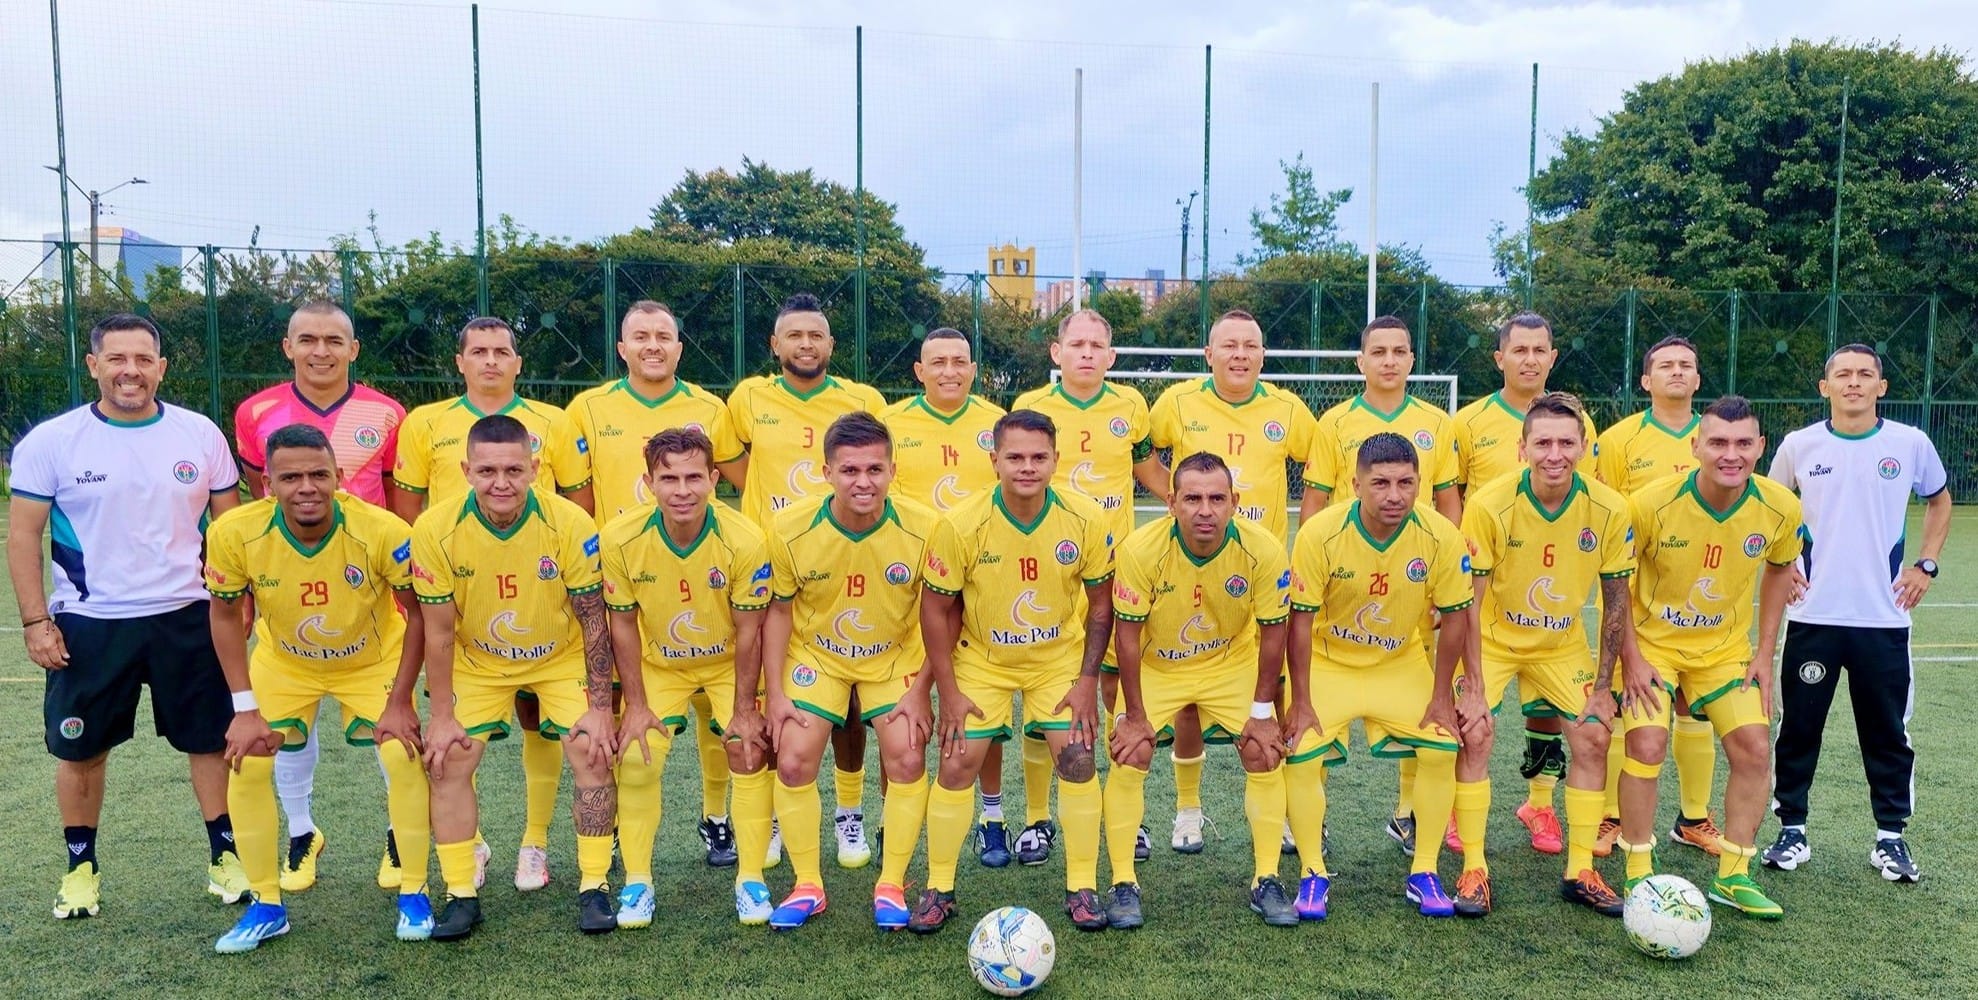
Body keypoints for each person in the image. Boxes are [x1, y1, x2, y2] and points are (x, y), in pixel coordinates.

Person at [8, 312, 246, 921]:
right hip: (91, 622)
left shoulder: (199, 435)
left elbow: (232, 529)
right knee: (80, 752)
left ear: (161, 368)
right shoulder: (53, 442)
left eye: (143, 359)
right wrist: (37, 621)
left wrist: (239, 602)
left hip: (188, 616)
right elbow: (23, 536)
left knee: (210, 742)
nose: (130, 371)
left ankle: (225, 857)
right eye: (116, 359)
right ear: (93, 365)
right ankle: (81, 868)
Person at [202, 424, 433, 951]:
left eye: (317, 474)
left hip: (372, 661)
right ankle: (266, 904)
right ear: (267, 484)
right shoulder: (235, 532)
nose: (306, 487)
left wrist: (400, 702)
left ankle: (415, 892)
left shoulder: (383, 530)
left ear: (340, 477)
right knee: (248, 758)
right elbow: (222, 616)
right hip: (285, 663)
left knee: (402, 754)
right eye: (290, 477)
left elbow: (418, 616)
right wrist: (244, 708)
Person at [393, 316, 590, 893]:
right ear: (459, 362)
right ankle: (469, 848)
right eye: (477, 350)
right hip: (465, 595)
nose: (490, 361)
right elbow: (410, 513)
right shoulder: (425, 423)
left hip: (541, 594)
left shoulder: (552, 422)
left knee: (543, 726)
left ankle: (535, 842)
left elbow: (580, 503)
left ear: (518, 362)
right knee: (453, 737)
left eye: (501, 351)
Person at [410, 414, 619, 939]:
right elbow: (437, 631)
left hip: (560, 655)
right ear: (466, 470)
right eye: (486, 470)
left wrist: (599, 707)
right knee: (447, 758)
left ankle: (594, 885)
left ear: (534, 468)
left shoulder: (570, 523)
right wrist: (440, 714)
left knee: (592, 748)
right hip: (478, 661)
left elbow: (594, 617)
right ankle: (461, 894)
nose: (500, 482)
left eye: (513, 469)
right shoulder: (435, 529)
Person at [911, 410, 1115, 933]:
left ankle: (1082, 887)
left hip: (1058, 661)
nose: (1028, 467)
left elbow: (1099, 606)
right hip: (983, 660)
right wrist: (949, 692)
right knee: (958, 763)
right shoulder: (960, 524)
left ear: (1055, 460)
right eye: (1016, 457)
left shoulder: (1087, 519)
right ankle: (939, 889)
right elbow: (935, 609)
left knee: (1077, 758)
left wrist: (1088, 679)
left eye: (1039, 457)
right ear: (994, 460)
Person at [233, 299, 408, 893]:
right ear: (289, 347)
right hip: (289, 586)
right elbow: (257, 499)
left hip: (365, 585)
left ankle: (397, 834)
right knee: (284, 728)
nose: (321, 350)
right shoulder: (255, 411)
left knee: (394, 736)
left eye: (334, 340)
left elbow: (397, 497)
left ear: (353, 349)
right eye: (307, 339)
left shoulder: (387, 413)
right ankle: (303, 830)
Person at [567, 300, 748, 868]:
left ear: (678, 347)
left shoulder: (710, 408)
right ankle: (619, 828)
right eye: (639, 336)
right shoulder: (588, 408)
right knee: (626, 710)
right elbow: (580, 501)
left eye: (663, 336)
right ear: (622, 348)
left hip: (705, 572)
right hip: (627, 575)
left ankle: (717, 818)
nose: (652, 345)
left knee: (718, 714)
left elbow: (743, 483)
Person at [1762, 344, 1950, 883]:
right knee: (1799, 728)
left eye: (1864, 374)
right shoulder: (1800, 445)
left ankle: (1891, 839)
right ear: (1825, 387)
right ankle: (1791, 830)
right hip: (1813, 616)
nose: (1853, 383)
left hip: (1883, 620)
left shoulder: (1909, 443)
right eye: (1842, 374)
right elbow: (1773, 507)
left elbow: (1939, 500)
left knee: (1887, 731)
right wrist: (1789, 559)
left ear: (1880, 387)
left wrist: (1926, 565)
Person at [1285, 432, 1487, 919]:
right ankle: (1313, 872)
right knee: (1299, 754)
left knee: (1442, 745)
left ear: (1420, 483)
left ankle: (1425, 870)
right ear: (1355, 484)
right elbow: (1300, 621)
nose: (1394, 495)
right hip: (1330, 663)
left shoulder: (1441, 535)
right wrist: (1302, 700)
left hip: (1399, 663)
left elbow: (1457, 615)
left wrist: (1443, 697)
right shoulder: (1320, 533)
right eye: (1380, 483)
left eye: (1405, 482)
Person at [1617, 395, 1800, 918]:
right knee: (1648, 744)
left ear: (1761, 447)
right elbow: (1616, 586)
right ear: (1695, 445)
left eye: (1744, 443)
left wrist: (1765, 653)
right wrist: (1630, 656)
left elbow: (1781, 569)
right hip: (1654, 646)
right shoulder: (1650, 504)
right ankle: (1638, 873)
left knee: (1753, 751)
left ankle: (1735, 874)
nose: (1731, 454)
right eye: (1718, 442)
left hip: (1724, 653)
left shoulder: (1780, 506)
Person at [758, 413, 940, 930]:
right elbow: (779, 611)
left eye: (875, 469)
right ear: (827, 472)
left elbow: (940, 615)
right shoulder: (790, 529)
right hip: (817, 657)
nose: (864, 481)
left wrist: (923, 688)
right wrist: (774, 692)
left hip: (895, 656)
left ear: (892, 471)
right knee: (792, 760)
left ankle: (891, 882)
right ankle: (808, 885)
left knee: (906, 755)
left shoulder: (924, 528)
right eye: (850, 470)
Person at [1454, 392, 1633, 917]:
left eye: (1566, 442)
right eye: (1543, 443)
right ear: (1522, 448)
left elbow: (1616, 601)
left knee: (1595, 734)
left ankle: (1581, 869)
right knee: (1474, 732)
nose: (1555, 453)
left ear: (1583, 447)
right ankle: (1474, 869)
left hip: (1561, 645)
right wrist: (1474, 685)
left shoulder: (1608, 507)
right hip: (1492, 640)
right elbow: (1469, 602)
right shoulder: (1489, 503)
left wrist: (1603, 687)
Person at [727, 292, 888, 869]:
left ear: (830, 345)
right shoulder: (748, 398)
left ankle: (849, 813)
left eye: (815, 335)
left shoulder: (860, 399)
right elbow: (734, 465)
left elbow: (873, 467)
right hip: (774, 566)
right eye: (793, 336)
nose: (805, 344)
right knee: (775, 697)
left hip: (847, 563)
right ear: (775, 344)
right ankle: (771, 816)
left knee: (850, 708)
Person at [1149, 309, 1317, 853]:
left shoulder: (1288, 409)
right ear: (1209, 354)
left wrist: (1305, 539)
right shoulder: (1175, 403)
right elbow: (1143, 458)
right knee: (1188, 698)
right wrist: (1182, 507)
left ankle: (1285, 814)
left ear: (1262, 356)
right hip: (1193, 566)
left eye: (1250, 345)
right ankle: (1188, 811)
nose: (1240, 354)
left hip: (1259, 574)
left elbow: (1322, 470)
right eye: (1229, 345)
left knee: (1278, 691)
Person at [1103, 452, 1294, 928]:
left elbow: (1275, 632)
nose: (1204, 510)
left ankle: (1266, 878)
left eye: (1216, 498)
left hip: (1229, 664)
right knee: (1130, 753)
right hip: (1159, 665)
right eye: (1192, 498)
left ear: (1235, 502)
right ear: (1171, 503)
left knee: (1264, 752)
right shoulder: (1140, 550)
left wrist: (1262, 711)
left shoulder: (1263, 549)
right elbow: (1127, 636)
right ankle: (1123, 882)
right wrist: (1136, 716)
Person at [1010, 309, 1171, 868]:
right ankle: (1036, 817)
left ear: (1110, 356)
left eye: (1095, 345)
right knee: (1046, 693)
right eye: (1074, 343)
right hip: (1051, 570)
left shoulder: (1131, 406)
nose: (1084, 353)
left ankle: (1124, 814)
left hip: (1115, 568)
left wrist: (1180, 497)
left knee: (1113, 689)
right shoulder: (1032, 409)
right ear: (1056, 353)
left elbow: (1144, 464)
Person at [1301, 314, 1462, 856]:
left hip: (1415, 578)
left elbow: (1446, 499)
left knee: (1422, 700)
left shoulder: (1439, 423)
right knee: (1316, 720)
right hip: (1347, 581)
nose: (1390, 360)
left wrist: (1444, 573)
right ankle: (1311, 823)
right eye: (1380, 352)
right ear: (1361, 361)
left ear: (1412, 360)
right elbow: (1318, 499)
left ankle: (1408, 812)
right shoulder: (1336, 422)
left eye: (1400, 351)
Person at [601, 427, 773, 927]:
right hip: (660, 665)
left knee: (746, 747)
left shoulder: (745, 538)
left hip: (726, 664)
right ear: (649, 482)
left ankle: (752, 878)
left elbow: (750, 632)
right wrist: (633, 705)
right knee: (636, 757)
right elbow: (623, 626)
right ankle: (637, 882)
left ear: (715, 479)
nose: (682, 490)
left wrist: (743, 709)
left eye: (694, 477)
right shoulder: (620, 538)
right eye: (669, 478)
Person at [1450, 311, 1599, 855]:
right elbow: (1451, 499)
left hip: (1552, 596)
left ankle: (1540, 804)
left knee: (1549, 713)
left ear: (1552, 357)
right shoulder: (1467, 422)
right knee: (1465, 716)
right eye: (1520, 350)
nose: (1530, 359)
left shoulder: (1578, 422)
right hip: (1490, 590)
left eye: (1540, 350)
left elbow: (1590, 499)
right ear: (1501, 358)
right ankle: (1452, 814)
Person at [1593, 335, 1721, 858]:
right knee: (1630, 705)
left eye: (1685, 365)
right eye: (1664, 365)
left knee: (1696, 707)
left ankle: (1694, 818)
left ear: (1697, 379)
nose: (1675, 372)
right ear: (1646, 381)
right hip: (1637, 599)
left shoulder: (1719, 436)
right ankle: (1610, 815)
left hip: (1703, 601)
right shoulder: (1619, 440)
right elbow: (1604, 513)